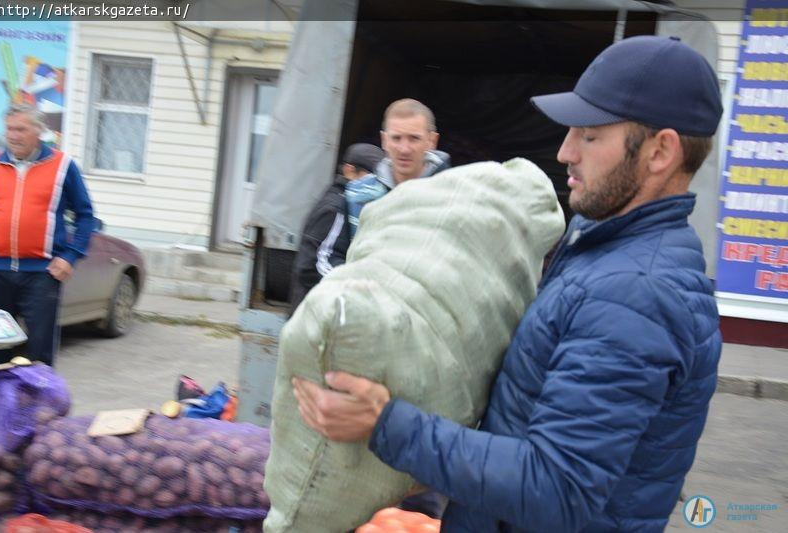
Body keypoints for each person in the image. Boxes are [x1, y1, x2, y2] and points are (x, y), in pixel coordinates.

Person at [293, 35, 723, 532]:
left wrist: (387, 426)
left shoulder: (636, 293)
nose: (564, 152)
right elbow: (530, 412)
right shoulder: (604, 249)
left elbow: (557, 488)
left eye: (589, 135)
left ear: (660, 152)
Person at [290, 99, 451, 312]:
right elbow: (325, 258)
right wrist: (362, 292)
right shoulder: (356, 195)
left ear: (432, 141)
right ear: (384, 140)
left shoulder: (452, 194)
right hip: (368, 322)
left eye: (414, 138)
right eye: (396, 138)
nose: (404, 148)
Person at [0, 104, 94, 367]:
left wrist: (71, 256)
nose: (13, 135)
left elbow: (85, 215)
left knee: (38, 355)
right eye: (10, 129)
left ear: (38, 131)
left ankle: (39, 408)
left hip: (42, 275)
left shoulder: (62, 166)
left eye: (21, 129)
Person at [289, 142, 385, 313]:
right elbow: (311, 265)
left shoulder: (349, 203)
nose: (373, 184)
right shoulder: (336, 206)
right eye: (369, 176)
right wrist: (356, 289)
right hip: (315, 314)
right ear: (349, 171)